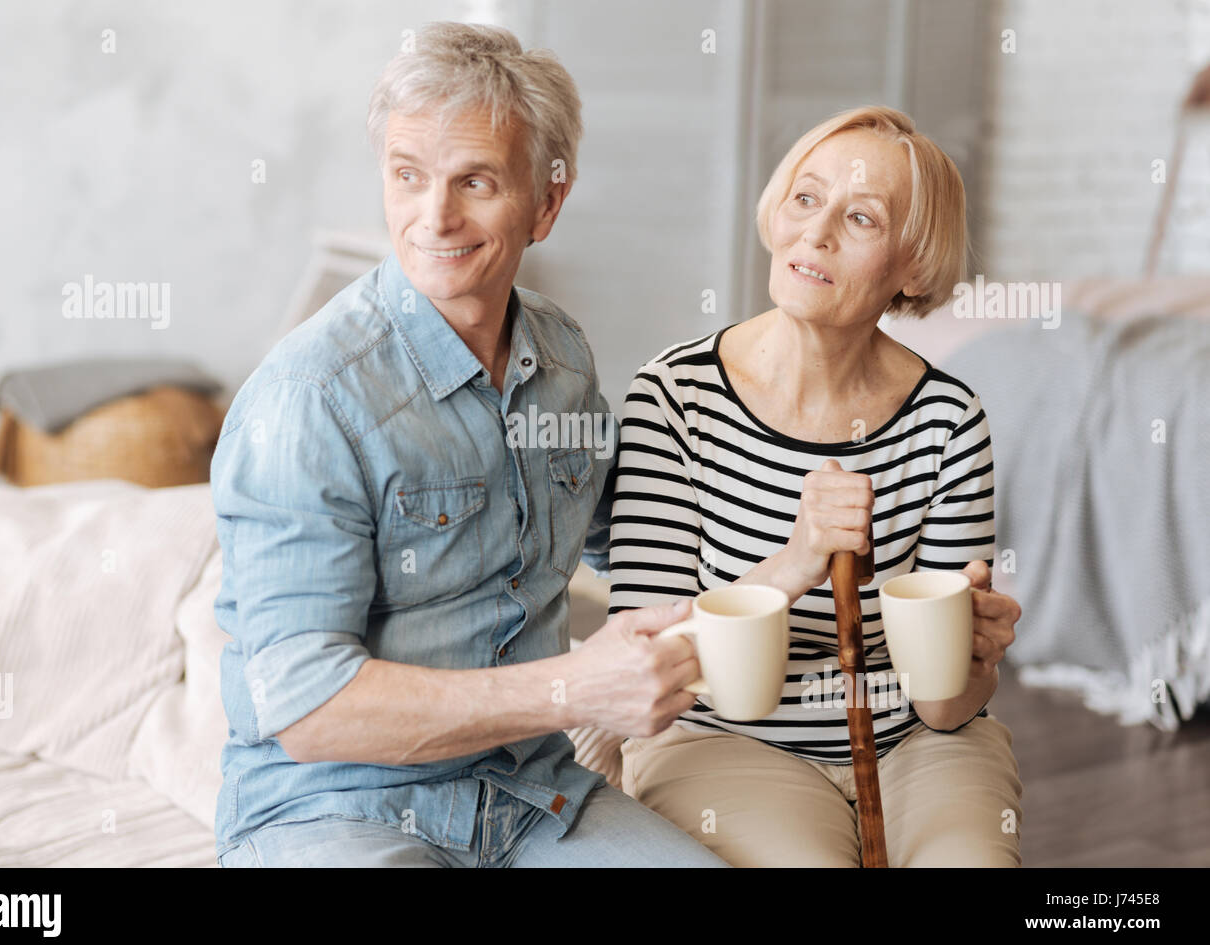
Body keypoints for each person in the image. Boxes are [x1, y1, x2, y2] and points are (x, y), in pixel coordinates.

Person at [210, 21, 726, 868]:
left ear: (546, 204)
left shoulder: (561, 359)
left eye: (475, 181)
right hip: (335, 808)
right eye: (407, 176)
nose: (434, 216)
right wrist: (573, 685)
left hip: (529, 797)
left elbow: (636, 537)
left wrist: (815, 553)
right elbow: (304, 706)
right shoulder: (307, 399)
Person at [610, 106, 1025, 867]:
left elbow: (944, 706)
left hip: (916, 743)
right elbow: (647, 663)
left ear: (914, 265)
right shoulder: (674, 395)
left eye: (861, 216)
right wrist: (797, 560)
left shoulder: (949, 419)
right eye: (806, 198)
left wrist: (973, 660)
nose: (818, 231)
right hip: (726, 742)